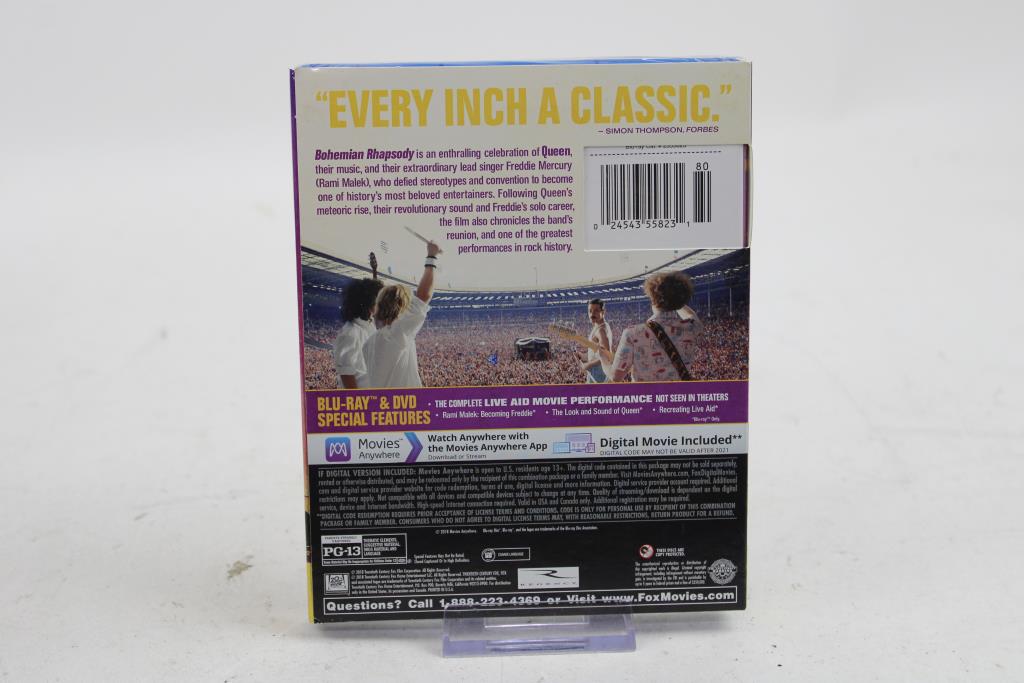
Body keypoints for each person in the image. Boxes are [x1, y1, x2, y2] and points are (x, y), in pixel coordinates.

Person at [363, 241, 440, 387]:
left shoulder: (368, 344)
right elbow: (423, 296)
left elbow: (380, 308)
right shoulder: (396, 334)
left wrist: (375, 274)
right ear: (398, 311)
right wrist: (431, 256)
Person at [611, 271, 703, 382]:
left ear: (653, 299)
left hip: (647, 393)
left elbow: (616, 377)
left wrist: (602, 358)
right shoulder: (692, 327)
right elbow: (691, 314)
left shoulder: (632, 333)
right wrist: (675, 299)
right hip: (679, 393)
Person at [332, 277, 384, 388]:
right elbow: (346, 375)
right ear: (368, 303)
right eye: (378, 301)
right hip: (361, 396)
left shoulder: (369, 324)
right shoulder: (350, 334)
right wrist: (358, 398)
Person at [577, 298, 613, 383]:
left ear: (603, 312)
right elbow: (597, 353)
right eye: (590, 311)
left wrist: (587, 365)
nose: (592, 314)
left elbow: (606, 356)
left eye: (596, 311)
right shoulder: (599, 326)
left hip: (599, 375)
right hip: (597, 373)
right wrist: (583, 356)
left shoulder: (601, 330)